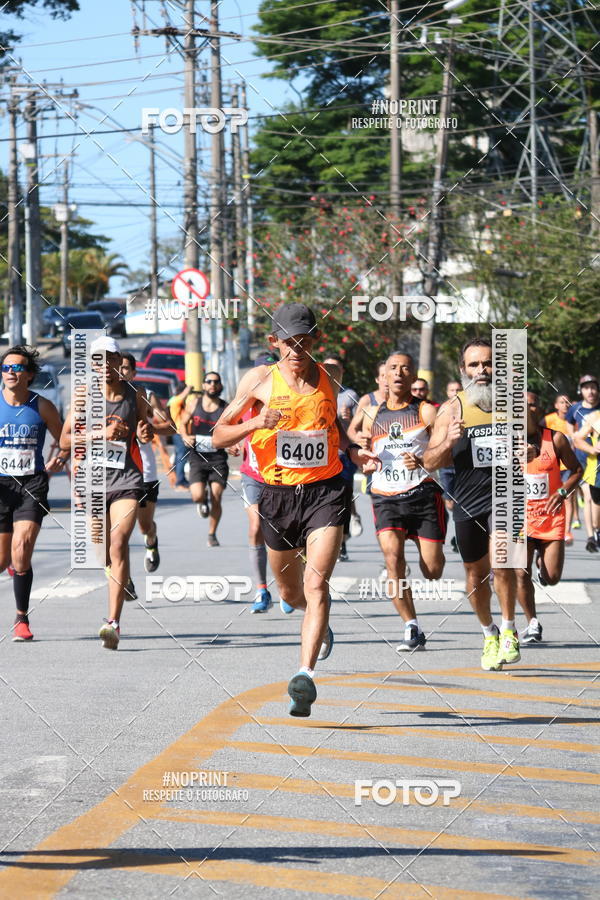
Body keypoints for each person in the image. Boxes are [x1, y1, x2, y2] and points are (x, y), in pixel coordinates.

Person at [213, 302, 378, 718]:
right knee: (290, 591)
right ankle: (317, 624)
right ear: (275, 342)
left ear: (314, 341)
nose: (296, 349)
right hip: (276, 495)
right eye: (288, 342)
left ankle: (304, 675)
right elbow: (218, 435)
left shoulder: (331, 376)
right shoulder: (259, 379)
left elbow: (330, 427)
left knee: (317, 583)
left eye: (304, 340)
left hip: (325, 491)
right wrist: (254, 424)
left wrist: (354, 452)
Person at [423, 337, 521, 672]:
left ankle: (509, 628)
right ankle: (489, 632)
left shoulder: (515, 403)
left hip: (507, 493)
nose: (483, 370)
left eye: (489, 363)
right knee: (475, 575)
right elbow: (429, 460)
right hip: (468, 499)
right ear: (463, 370)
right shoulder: (451, 409)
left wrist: (531, 453)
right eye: (475, 364)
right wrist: (448, 441)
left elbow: (537, 445)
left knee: (503, 561)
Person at [60, 337, 153, 650]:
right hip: (94, 482)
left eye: (109, 359)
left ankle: (112, 623)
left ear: (118, 361)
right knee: (105, 554)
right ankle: (122, 579)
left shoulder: (134, 394)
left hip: (126, 479)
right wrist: (100, 432)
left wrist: (147, 430)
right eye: (97, 360)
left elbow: (154, 426)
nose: (104, 366)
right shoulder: (85, 394)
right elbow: (64, 439)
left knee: (118, 542)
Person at [360, 351, 446, 651]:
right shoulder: (371, 414)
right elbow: (360, 448)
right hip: (386, 498)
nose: (398, 373)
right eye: (392, 368)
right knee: (393, 561)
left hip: (422, 495)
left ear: (412, 377)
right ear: (383, 376)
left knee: (432, 571)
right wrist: (365, 461)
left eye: (404, 368)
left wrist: (423, 459)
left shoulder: (426, 412)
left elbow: (443, 451)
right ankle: (411, 626)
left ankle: (420, 566)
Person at [0, 346, 65, 641]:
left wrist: (62, 457)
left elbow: (65, 438)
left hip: (31, 483)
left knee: (23, 546)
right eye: (6, 367)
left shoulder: (43, 407)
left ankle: (21, 618)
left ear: (29, 375)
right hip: (1, 487)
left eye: (16, 368)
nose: (10, 372)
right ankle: (13, 568)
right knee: (3, 560)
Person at [517, 395, 582, 644]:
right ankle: (532, 623)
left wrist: (563, 491)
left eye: (531, 404)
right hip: (521, 518)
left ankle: (542, 569)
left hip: (551, 516)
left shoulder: (555, 439)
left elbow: (576, 470)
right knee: (520, 574)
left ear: (539, 410)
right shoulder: (506, 442)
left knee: (552, 577)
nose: (525, 408)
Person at [120, 353, 172, 574]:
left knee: (143, 525)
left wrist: (151, 430)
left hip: (144, 471)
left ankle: (151, 542)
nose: (119, 372)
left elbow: (171, 427)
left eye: (124, 368)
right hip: (115, 472)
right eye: (116, 367)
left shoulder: (147, 397)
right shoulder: (101, 399)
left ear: (133, 372)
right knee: (120, 530)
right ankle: (123, 576)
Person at [240, 350, 279, 614]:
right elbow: (225, 428)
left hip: (282, 478)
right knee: (256, 526)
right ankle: (262, 590)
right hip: (252, 474)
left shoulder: (286, 403)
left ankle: (290, 585)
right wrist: (233, 443)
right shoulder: (244, 405)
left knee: (281, 533)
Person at [179, 371, 231, 547]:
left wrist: (234, 444)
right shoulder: (195, 404)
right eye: (209, 382)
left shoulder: (226, 408)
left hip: (218, 459)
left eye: (216, 382)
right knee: (197, 495)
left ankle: (212, 534)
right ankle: (202, 500)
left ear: (220, 385)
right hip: (197, 457)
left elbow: (235, 428)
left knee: (216, 496)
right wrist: (185, 435)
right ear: (203, 385)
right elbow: (182, 422)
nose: (212, 385)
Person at [324, 353, 362, 558]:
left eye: (334, 368)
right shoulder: (315, 390)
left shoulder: (350, 395)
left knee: (342, 498)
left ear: (341, 372)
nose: (330, 371)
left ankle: (342, 541)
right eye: (326, 367)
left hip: (343, 455)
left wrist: (349, 420)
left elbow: (359, 426)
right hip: (321, 456)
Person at [567, 375, 600, 552]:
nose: (591, 391)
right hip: (583, 458)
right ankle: (590, 535)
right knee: (588, 497)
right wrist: (576, 441)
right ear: (581, 390)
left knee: (595, 500)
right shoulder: (575, 409)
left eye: (593, 387)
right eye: (586, 388)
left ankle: (596, 530)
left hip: (596, 461)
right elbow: (570, 429)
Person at [542, 394, 578, 543]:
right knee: (548, 497)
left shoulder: (573, 421)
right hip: (551, 466)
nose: (566, 405)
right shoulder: (548, 420)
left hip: (568, 465)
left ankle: (567, 531)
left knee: (568, 497)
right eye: (562, 403)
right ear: (556, 405)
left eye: (568, 403)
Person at [439, 379, 463, 552]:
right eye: (452, 390)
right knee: (450, 504)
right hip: (446, 465)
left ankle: (459, 536)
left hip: (463, 463)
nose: (455, 392)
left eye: (458, 389)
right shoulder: (443, 410)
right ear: (447, 392)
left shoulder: (469, 409)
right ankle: (458, 530)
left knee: (463, 502)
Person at [573, 404, 600, 548]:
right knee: (597, 520)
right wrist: (592, 449)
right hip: (597, 474)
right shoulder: (595, 417)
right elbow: (577, 439)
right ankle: (595, 531)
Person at [167, 381, 192, 490]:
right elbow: (182, 396)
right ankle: (180, 482)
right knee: (182, 457)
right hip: (179, 432)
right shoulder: (175, 400)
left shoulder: (175, 400)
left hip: (178, 433)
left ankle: (179, 479)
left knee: (179, 456)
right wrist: (190, 387)